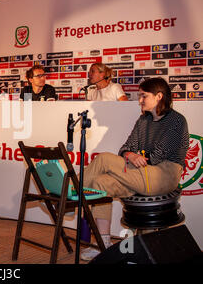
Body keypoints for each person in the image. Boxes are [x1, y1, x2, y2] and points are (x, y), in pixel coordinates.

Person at [80, 77, 189, 260]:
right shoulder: (143, 120)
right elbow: (125, 148)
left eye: (143, 96)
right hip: (141, 173)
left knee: (104, 159)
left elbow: (156, 157)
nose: (139, 100)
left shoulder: (177, 120)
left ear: (159, 96)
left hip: (165, 175)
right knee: (99, 183)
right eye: (139, 96)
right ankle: (102, 244)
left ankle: (69, 191)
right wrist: (130, 155)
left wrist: (135, 156)